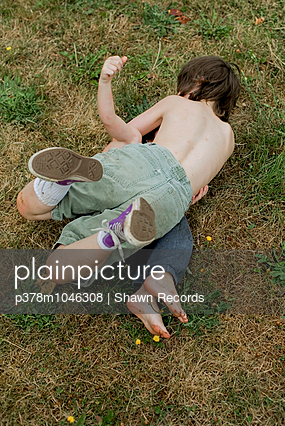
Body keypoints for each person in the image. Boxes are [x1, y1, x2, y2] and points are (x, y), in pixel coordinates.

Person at [17, 54, 240, 336]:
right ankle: (111, 237)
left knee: (27, 206)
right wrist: (190, 194)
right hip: (174, 199)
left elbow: (129, 131)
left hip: (146, 161)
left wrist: (106, 82)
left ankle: (62, 185)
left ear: (198, 82)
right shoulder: (228, 136)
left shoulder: (177, 103)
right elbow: (199, 182)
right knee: (56, 270)